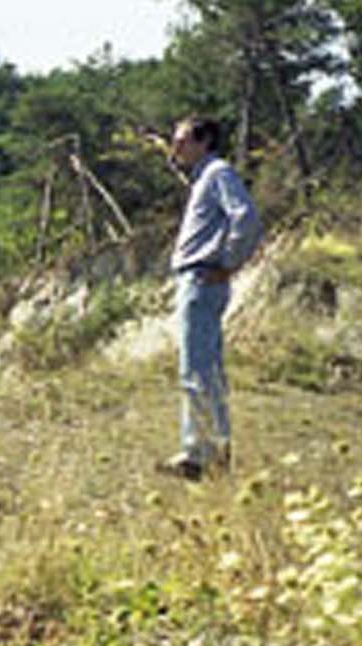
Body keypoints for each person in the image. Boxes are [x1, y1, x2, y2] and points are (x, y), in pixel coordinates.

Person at [157, 116, 261, 481]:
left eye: (183, 140)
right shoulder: (206, 176)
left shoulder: (217, 173)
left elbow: (246, 218)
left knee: (197, 369)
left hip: (202, 278)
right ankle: (214, 450)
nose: (176, 147)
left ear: (205, 142)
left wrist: (229, 263)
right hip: (201, 278)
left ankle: (198, 456)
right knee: (207, 369)